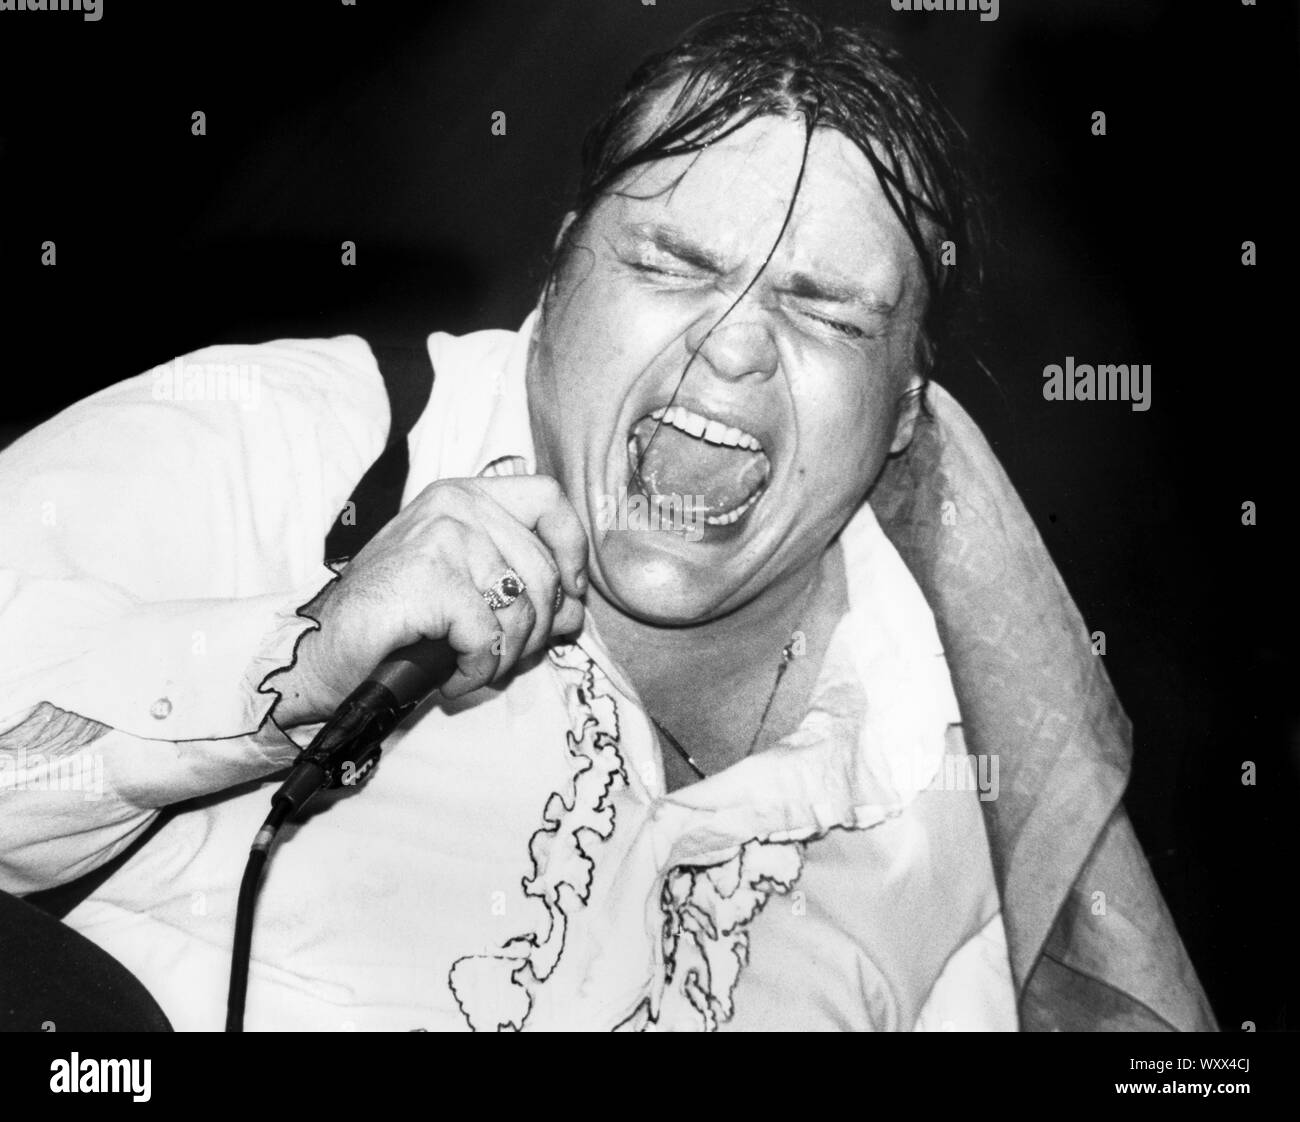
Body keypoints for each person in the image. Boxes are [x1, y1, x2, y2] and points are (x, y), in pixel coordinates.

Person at [0, 3, 1215, 1031]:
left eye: (828, 311)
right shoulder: (288, 443)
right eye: (674, 263)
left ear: (904, 411)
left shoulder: (943, 800)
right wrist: (292, 662)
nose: (734, 343)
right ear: (561, 266)